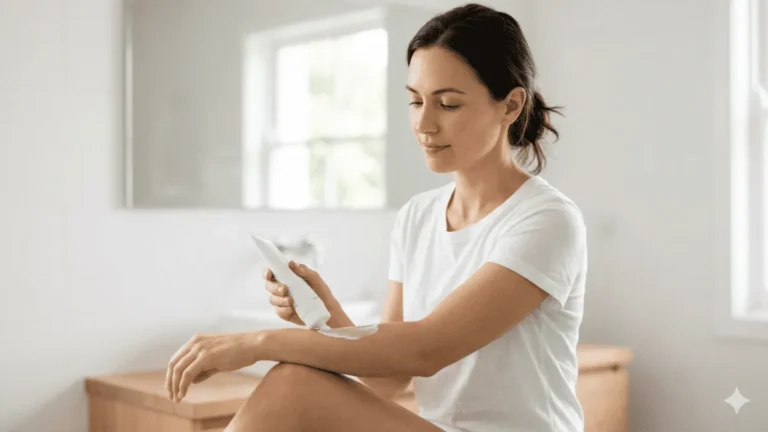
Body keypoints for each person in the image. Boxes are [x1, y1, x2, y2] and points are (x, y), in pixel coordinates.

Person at [165, 3, 587, 431]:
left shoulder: (546, 220)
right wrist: (323, 311)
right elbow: (385, 378)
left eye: (449, 105)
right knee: (294, 383)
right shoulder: (418, 217)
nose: (424, 123)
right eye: (416, 100)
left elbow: (426, 350)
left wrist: (256, 343)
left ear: (511, 105)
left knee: (293, 385)